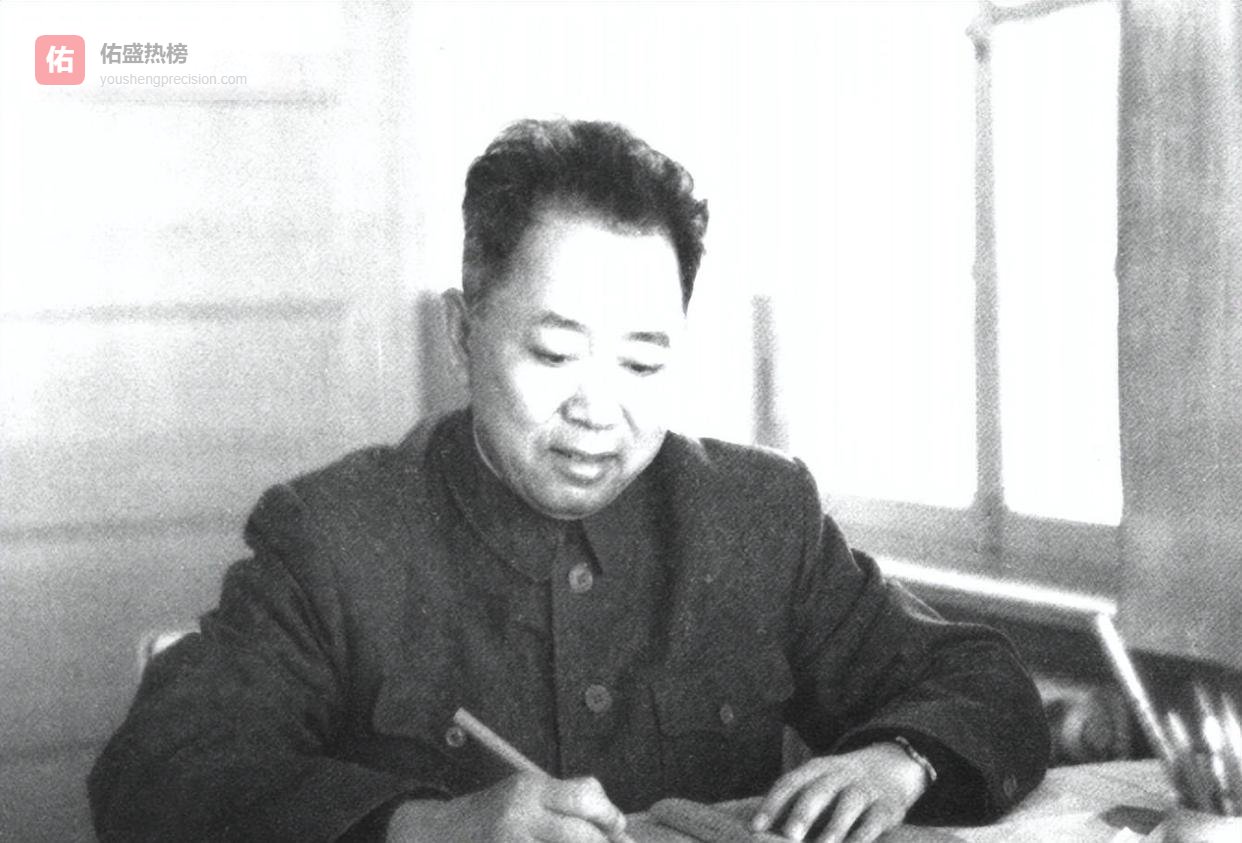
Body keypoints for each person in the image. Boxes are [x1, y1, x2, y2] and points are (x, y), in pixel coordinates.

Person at [88, 118, 1049, 843]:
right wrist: (430, 826)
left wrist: (901, 760)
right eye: (554, 355)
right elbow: (156, 773)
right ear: (464, 333)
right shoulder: (336, 536)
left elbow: (978, 679)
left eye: (643, 362)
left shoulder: (755, 515)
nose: (600, 410)